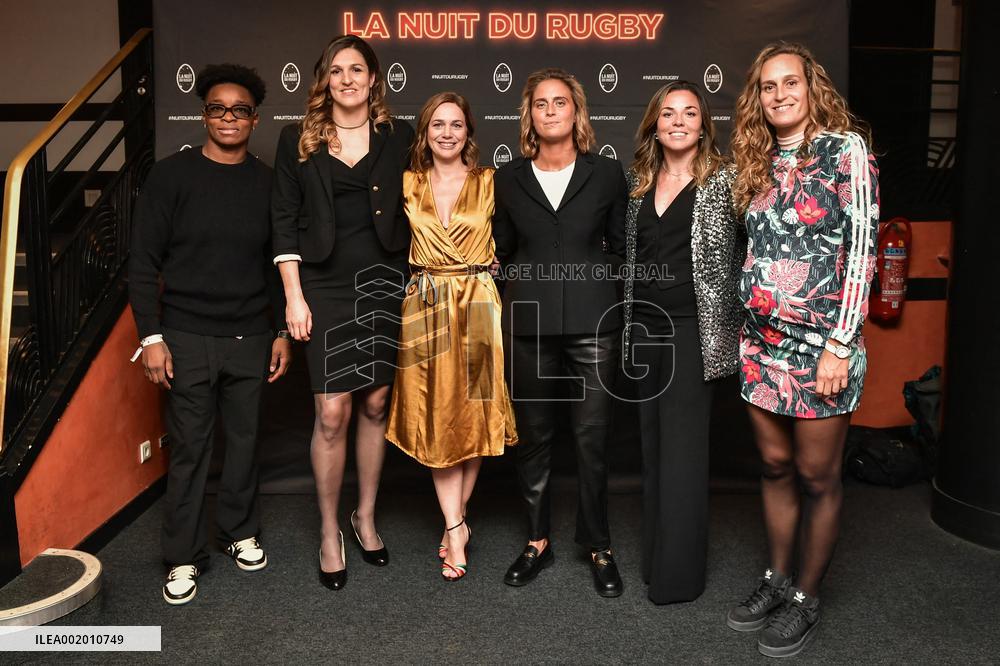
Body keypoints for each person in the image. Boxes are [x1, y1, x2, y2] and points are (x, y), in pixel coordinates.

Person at [727, 42, 879, 657]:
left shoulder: (845, 151)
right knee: (774, 465)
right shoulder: (754, 158)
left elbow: (863, 250)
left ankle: (805, 598)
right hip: (761, 344)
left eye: (791, 83)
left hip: (823, 347)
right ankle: (776, 577)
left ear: (811, 87)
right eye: (768, 86)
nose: (780, 94)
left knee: (818, 474)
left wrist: (841, 344)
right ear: (757, 97)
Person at [129, 63, 292, 605]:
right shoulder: (171, 177)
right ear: (204, 114)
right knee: (192, 450)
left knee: (244, 445)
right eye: (219, 109)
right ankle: (181, 558)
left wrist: (278, 332)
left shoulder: (269, 182)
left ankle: (238, 532)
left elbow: (277, 266)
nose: (229, 118)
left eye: (240, 110)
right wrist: (151, 338)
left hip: (250, 335)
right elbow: (142, 261)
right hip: (185, 337)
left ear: (254, 118)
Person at [271, 35, 414, 590]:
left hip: (387, 281)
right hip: (324, 286)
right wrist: (294, 296)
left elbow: (434, 195)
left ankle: (366, 516)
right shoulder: (296, 140)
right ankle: (330, 530)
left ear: (374, 79)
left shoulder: (398, 135)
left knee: (376, 402)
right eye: (337, 70)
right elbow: (284, 220)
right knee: (333, 412)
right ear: (324, 80)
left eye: (358, 69)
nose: (348, 79)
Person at [493, 68, 627, 597]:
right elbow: (502, 248)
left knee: (592, 439)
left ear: (577, 112)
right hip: (529, 323)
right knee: (534, 438)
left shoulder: (608, 173)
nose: (550, 111)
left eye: (560, 103)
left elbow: (618, 245)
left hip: (595, 325)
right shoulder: (507, 178)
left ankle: (598, 545)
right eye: (540, 104)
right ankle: (537, 542)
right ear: (529, 115)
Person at [385, 92, 517, 581]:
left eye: (456, 124)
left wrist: (497, 264)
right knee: (439, 416)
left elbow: (515, 237)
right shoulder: (406, 183)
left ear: (469, 133)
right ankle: (457, 525)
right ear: (424, 133)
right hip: (424, 303)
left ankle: (453, 522)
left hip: (479, 302)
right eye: (437, 124)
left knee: (477, 416)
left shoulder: (490, 183)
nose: (446, 132)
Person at [621, 81, 744, 604]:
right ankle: (655, 560)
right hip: (646, 327)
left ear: (703, 124)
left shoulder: (728, 181)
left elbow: (755, 247)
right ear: (654, 122)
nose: (677, 121)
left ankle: (680, 577)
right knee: (652, 447)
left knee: (685, 452)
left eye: (689, 113)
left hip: (696, 329)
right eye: (667, 113)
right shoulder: (637, 184)